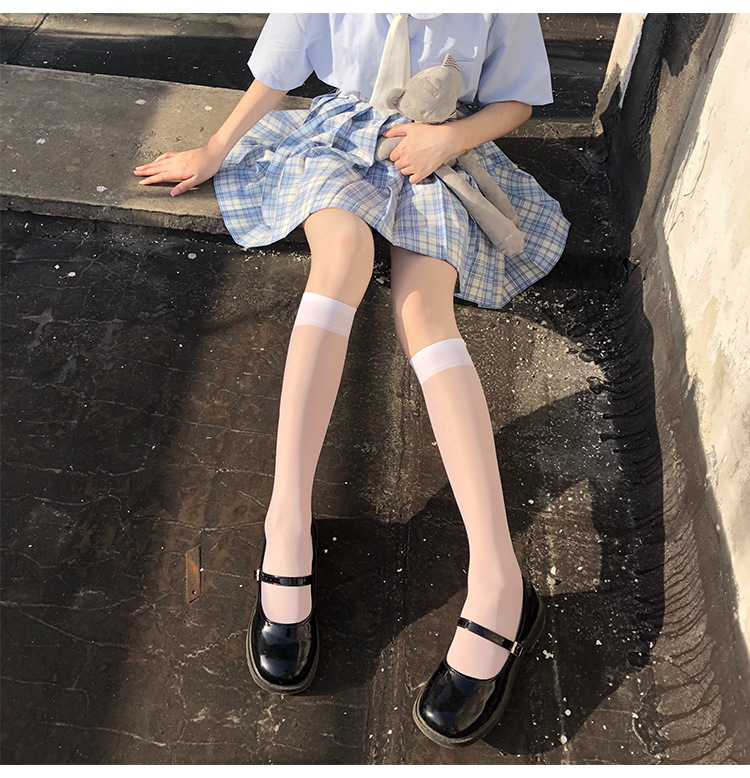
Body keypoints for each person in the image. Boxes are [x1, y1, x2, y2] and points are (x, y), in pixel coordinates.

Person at [134, 13, 569, 748]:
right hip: (339, 136)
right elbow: (278, 66)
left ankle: (500, 582)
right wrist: (214, 149)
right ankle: (285, 522)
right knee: (340, 261)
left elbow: (518, 98)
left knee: (424, 312)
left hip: (441, 148)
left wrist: (449, 139)